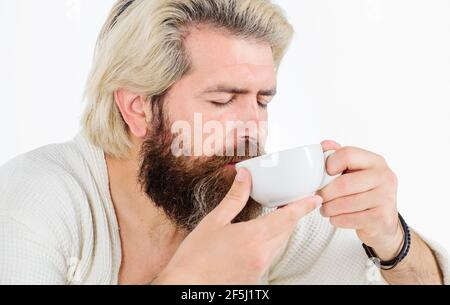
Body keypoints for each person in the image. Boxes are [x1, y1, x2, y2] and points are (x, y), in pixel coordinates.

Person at [0, 0, 447, 284]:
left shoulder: (258, 203)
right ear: (137, 108)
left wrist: (391, 239)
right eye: (222, 99)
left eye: (262, 101)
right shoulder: (35, 199)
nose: (253, 128)